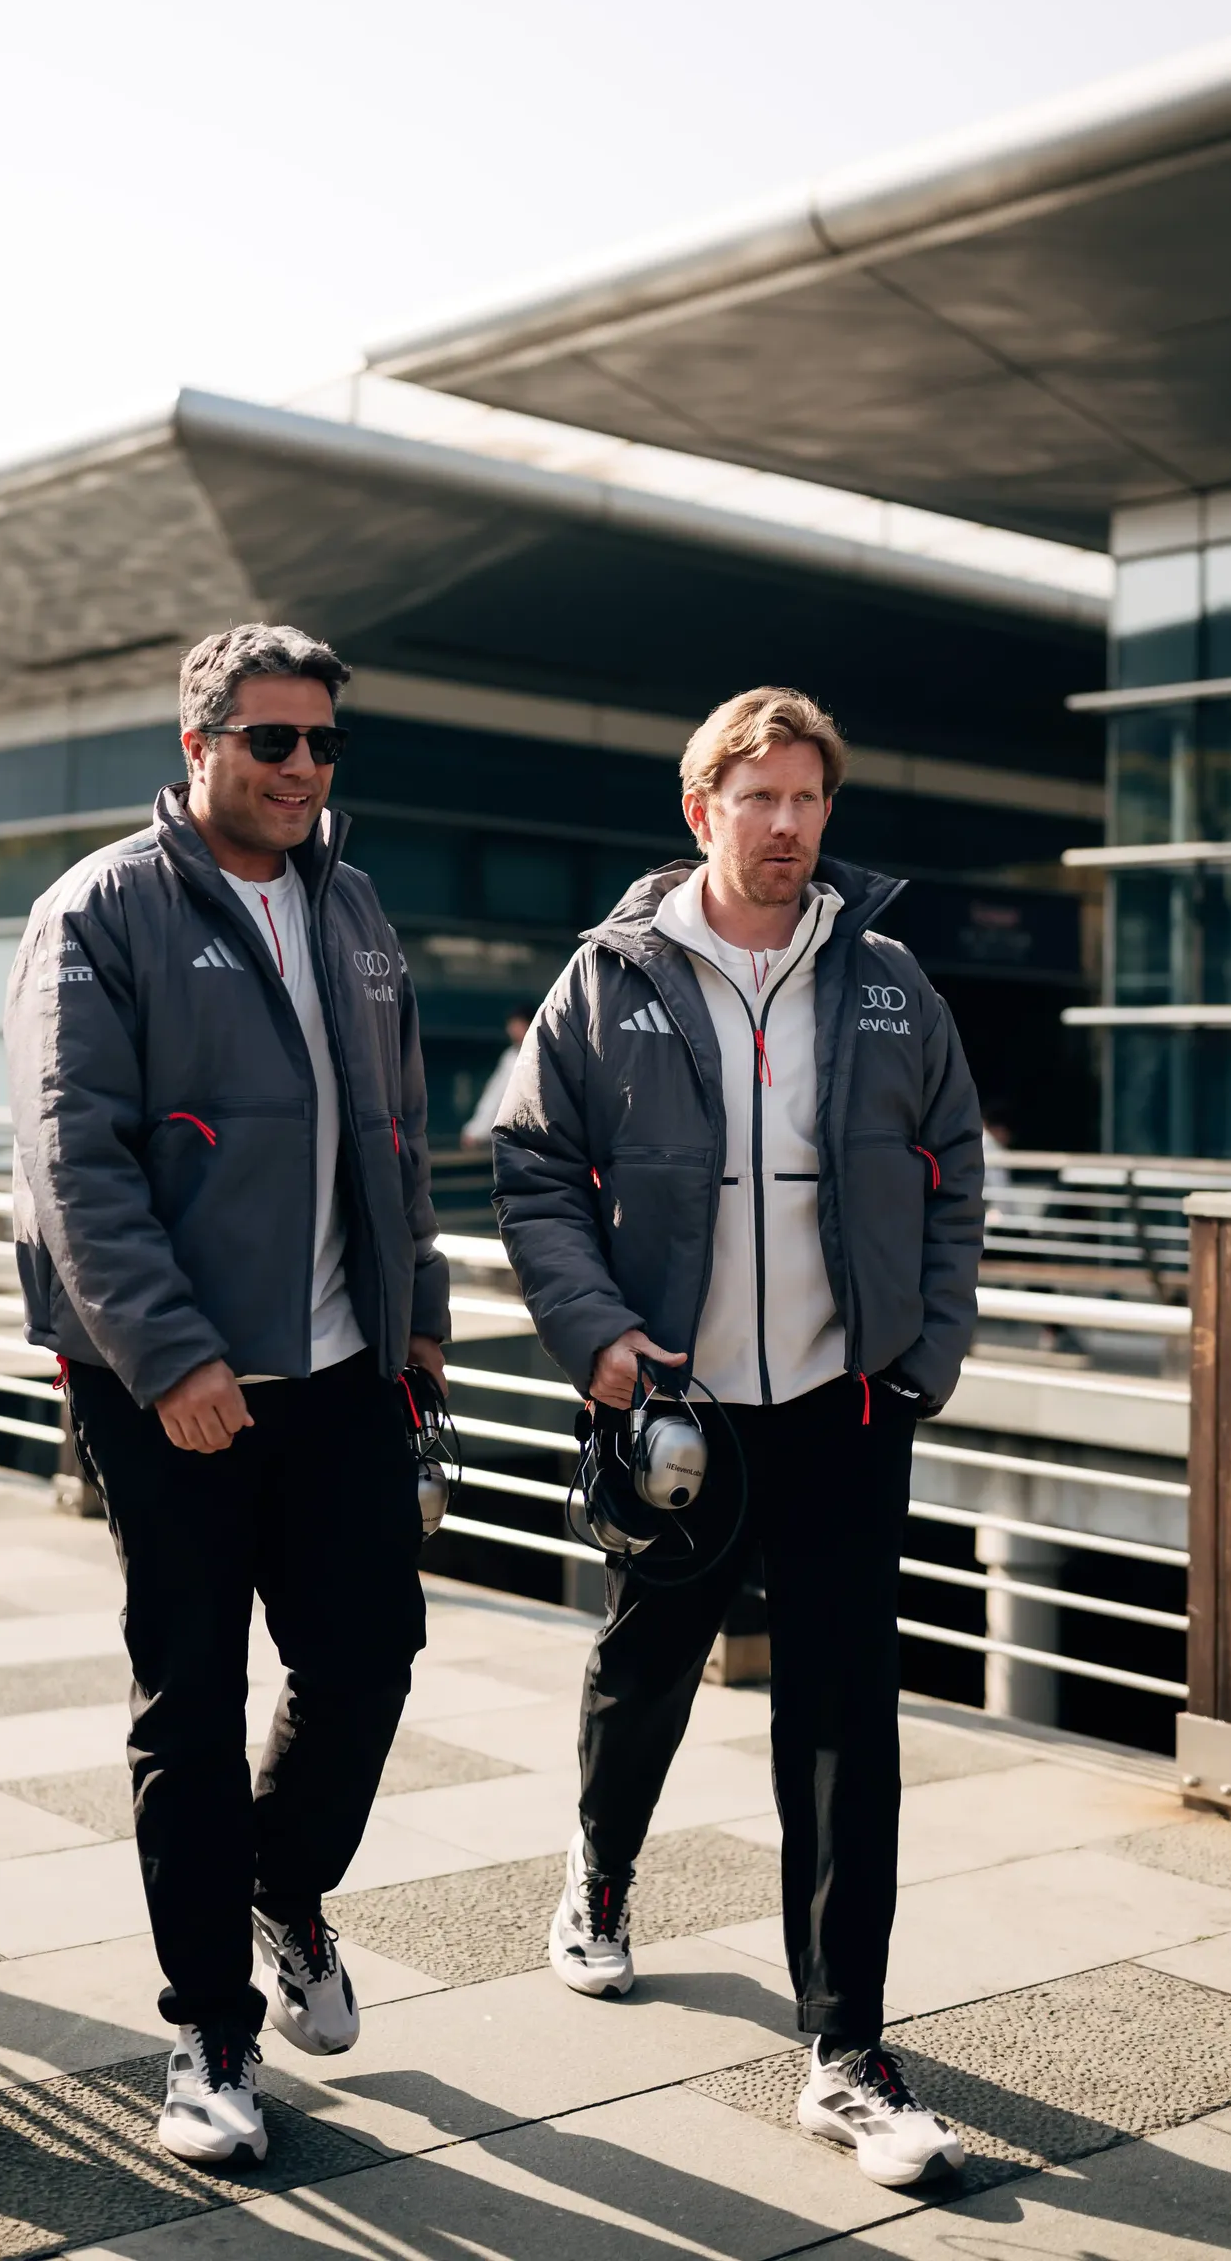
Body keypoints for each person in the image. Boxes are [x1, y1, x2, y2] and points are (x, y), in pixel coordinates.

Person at [491, 684, 983, 2191]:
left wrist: (925, 1352)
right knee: (649, 1663)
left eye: (808, 799)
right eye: (759, 798)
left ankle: (846, 2051)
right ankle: (602, 1867)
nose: (787, 825)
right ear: (701, 809)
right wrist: (596, 1334)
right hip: (681, 1409)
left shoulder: (886, 978)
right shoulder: (613, 976)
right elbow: (533, 1163)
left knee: (845, 1722)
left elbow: (954, 1162)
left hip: (847, 1404)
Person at [4, 622, 448, 2170]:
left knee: (369, 1659)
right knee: (189, 1703)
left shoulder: (354, 906)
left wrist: (420, 1313)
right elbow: (74, 1160)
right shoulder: (101, 911)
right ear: (198, 747)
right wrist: (173, 1358)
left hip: (339, 1369)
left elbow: (401, 1128)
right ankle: (209, 2031)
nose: (303, 766)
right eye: (272, 741)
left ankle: (280, 1886)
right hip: (173, 1384)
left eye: (323, 742)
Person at [460, 1005, 534, 1146]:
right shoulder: (511, 1057)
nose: (512, 1030)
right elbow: (495, 1096)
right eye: (511, 1025)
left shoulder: (545, 1056)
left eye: (517, 1025)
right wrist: (476, 1131)